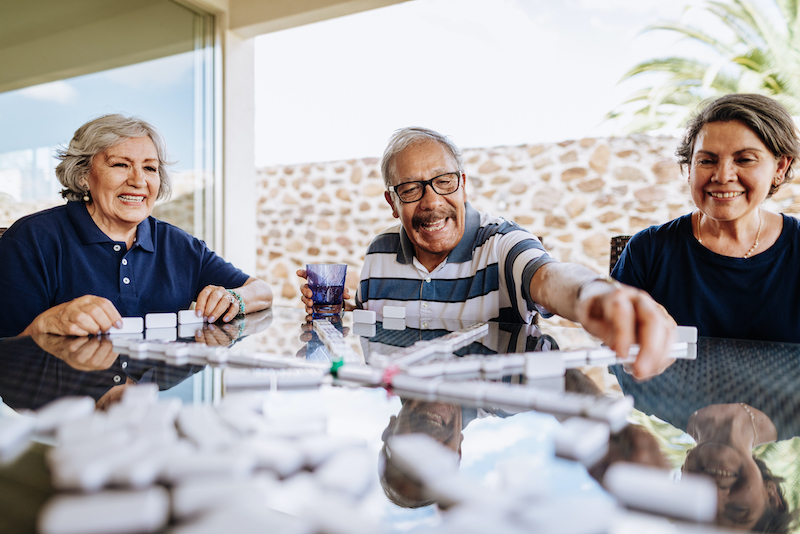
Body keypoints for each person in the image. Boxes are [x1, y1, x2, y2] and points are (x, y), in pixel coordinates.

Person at [300, 127, 676, 379]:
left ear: (463, 185)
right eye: (411, 189)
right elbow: (374, 326)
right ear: (392, 202)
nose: (432, 202)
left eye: (443, 181)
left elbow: (550, 278)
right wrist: (338, 313)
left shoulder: (502, 242)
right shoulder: (378, 253)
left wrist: (595, 296)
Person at [0, 114, 272, 338]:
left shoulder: (179, 245)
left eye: (150, 168)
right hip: (64, 400)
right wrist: (48, 323)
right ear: (83, 175)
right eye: (120, 164)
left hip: (153, 398)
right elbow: (7, 348)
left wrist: (235, 298)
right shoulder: (31, 240)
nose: (138, 181)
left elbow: (261, 290)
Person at [612, 93, 800, 342]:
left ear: (780, 168)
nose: (722, 176)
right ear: (689, 169)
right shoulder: (647, 251)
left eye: (744, 159)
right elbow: (619, 350)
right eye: (707, 160)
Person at [683, 403, 796, 532]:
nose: (716, 493)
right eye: (738, 509)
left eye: (699, 505)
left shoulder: (656, 397)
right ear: (772, 498)